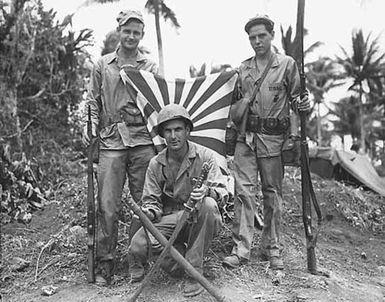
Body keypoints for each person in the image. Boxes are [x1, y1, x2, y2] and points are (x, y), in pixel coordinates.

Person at [222, 14, 311, 270]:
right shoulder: (244, 68)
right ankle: (240, 249)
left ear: (271, 36)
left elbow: (297, 100)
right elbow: (234, 103)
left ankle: (272, 248)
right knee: (243, 193)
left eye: (262, 36)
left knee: (272, 195)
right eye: (252, 37)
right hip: (246, 140)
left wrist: (303, 103)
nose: (257, 41)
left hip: (273, 140)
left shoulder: (286, 64)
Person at [82, 10, 158, 285]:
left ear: (142, 35)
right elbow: (93, 101)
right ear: (119, 31)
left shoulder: (149, 67)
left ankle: (137, 261)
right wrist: (89, 128)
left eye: (136, 32)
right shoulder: (103, 64)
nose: (131, 36)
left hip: (142, 140)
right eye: (127, 30)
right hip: (111, 140)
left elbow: (157, 104)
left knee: (143, 204)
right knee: (108, 205)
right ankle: (105, 264)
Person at [127, 104, 229, 297]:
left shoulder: (205, 157)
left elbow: (223, 193)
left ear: (188, 131)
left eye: (178, 129)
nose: (173, 136)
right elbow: (151, 202)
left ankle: (194, 271)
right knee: (138, 245)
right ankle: (180, 260)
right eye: (168, 130)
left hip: (196, 219)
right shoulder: (155, 164)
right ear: (163, 135)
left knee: (209, 206)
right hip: (170, 221)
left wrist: (207, 191)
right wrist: (147, 213)